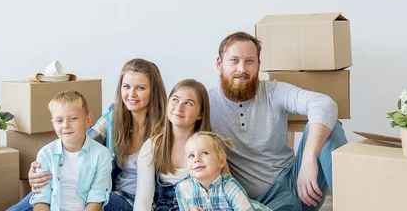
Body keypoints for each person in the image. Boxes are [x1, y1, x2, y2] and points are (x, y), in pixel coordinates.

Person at [208, 32, 348, 210]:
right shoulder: (207, 102)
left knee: (331, 127)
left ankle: (353, 204)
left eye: (249, 61)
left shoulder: (273, 92)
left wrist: (308, 159)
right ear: (219, 64)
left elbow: (324, 103)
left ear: (258, 65)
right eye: (234, 60)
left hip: (298, 187)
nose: (242, 69)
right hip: (248, 205)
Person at [8, 58, 168, 211]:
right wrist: (41, 170)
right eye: (126, 86)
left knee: (71, 191)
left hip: (135, 204)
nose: (131, 94)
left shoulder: (165, 130)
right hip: (111, 193)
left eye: (140, 88)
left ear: (153, 91)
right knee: (53, 188)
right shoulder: (113, 119)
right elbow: (77, 142)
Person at [135, 79, 211, 211]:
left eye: (188, 103)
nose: (179, 107)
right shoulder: (152, 146)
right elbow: (143, 200)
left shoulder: (211, 147)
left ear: (200, 114)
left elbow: (225, 192)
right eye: (175, 100)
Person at [30, 90, 112, 211]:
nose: (65, 125)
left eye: (73, 118)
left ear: (88, 120)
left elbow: (96, 198)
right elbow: (41, 198)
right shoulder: (46, 153)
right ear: (53, 124)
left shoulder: (101, 154)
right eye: (59, 120)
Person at [175, 131, 270, 211]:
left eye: (204, 153)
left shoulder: (230, 187)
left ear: (221, 161)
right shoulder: (183, 189)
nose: (196, 159)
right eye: (191, 155)